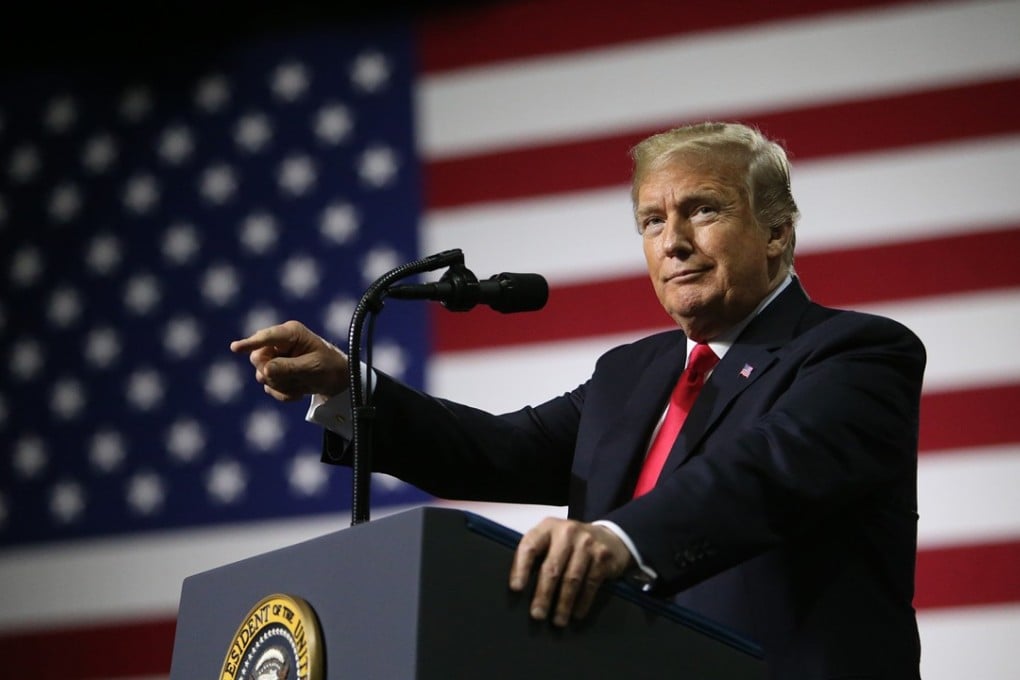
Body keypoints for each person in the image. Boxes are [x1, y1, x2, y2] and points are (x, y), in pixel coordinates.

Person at [231, 122, 925, 678]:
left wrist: (618, 540)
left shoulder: (857, 354)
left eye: (703, 210)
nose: (674, 242)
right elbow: (500, 452)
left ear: (777, 231)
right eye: (652, 222)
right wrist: (349, 388)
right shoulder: (634, 373)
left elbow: (763, 475)